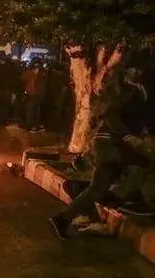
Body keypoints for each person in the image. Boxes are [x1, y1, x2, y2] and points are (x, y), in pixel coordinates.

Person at [50, 58, 149, 238]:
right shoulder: (127, 90)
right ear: (127, 71)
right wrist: (129, 137)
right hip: (113, 144)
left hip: (109, 143)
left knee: (97, 188)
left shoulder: (132, 90)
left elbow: (134, 119)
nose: (139, 72)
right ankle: (130, 200)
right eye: (135, 68)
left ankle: (62, 220)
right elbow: (113, 116)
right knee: (145, 163)